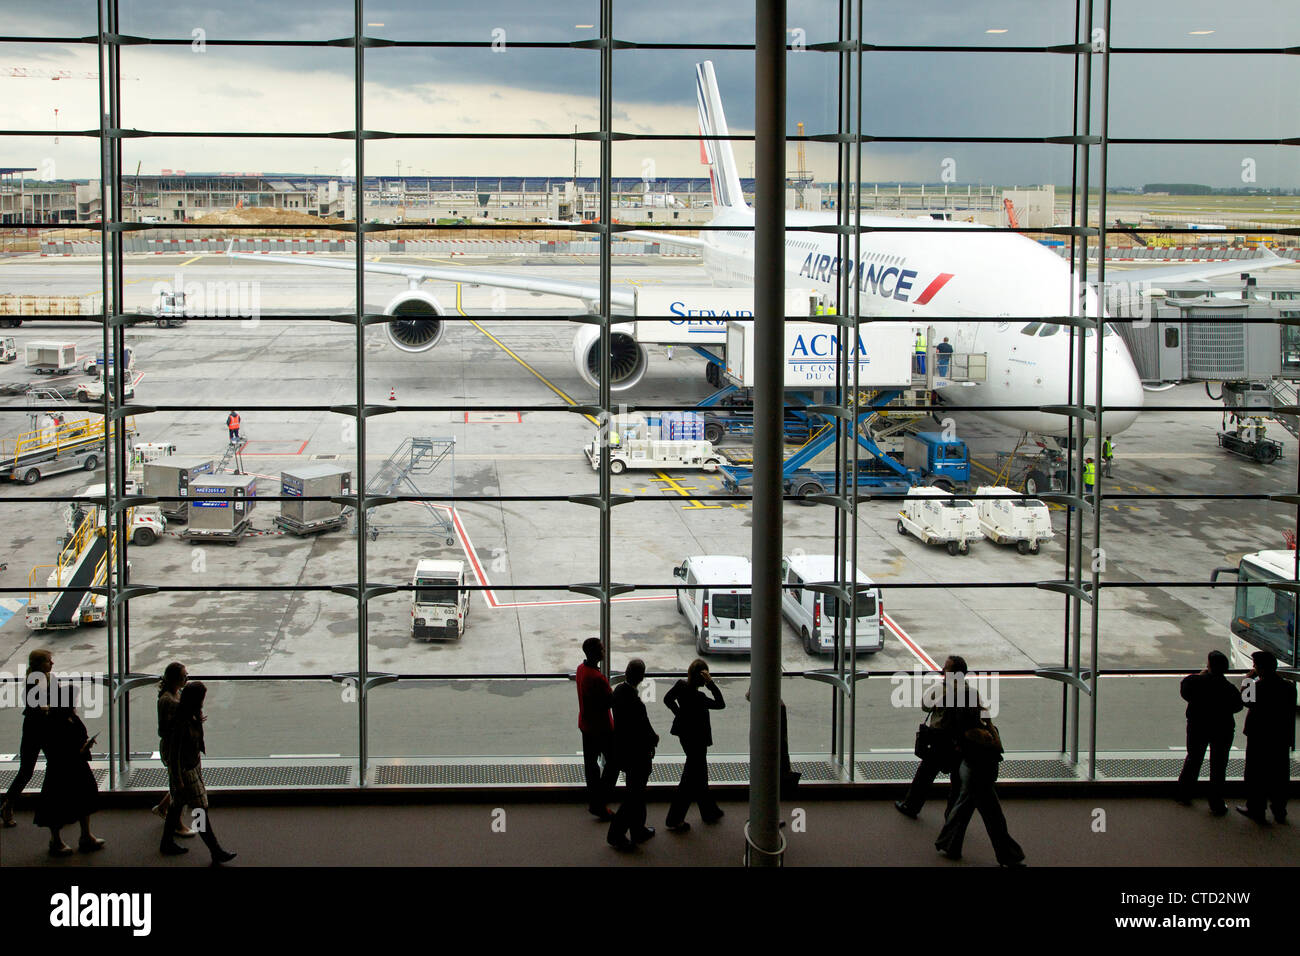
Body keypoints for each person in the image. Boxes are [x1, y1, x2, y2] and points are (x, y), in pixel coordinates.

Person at [934, 667, 1025, 866]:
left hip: (970, 770)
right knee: (994, 819)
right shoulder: (977, 732)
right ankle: (1008, 856)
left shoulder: (963, 730)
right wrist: (990, 723)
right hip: (979, 775)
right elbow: (998, 747)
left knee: (962, 810)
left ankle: (949, 844)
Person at [161, 682, 236, 863]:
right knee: (200, 809)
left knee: (177, 805)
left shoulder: (188, 716)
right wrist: (178, 777)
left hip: (190, 767)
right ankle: (215, 849)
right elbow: (176, 752)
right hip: (187, 771)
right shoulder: (182, 721)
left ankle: (166, 842)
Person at [33, 684, 104, 856]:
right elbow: (57, 748)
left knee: (82, 799)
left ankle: (84, 835)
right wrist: (80, 749)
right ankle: (57, 840)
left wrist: (84, 745)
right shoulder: (54, 721)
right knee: (58, 804)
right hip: (63, 767)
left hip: (73, 765)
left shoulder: (65, 716)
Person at [895, 655, 965, 819]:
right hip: (958, 742)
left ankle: (911, 806)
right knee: (957, 782)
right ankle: (952, 815)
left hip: (940, 739)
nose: (942, 670)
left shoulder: (941, 689)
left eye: (945, 668)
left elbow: (925, 706)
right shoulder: (969, 691)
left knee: (925, 775)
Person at [1175, 650, 1243, 815]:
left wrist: (1200, 675)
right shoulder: (1229, 688)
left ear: (1209, 666)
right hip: (1222, 728)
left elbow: (1185, 690)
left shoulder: (1196, 682)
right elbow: (1240, 706)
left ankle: (1184, 793)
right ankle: (1216, 801)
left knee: (1193, 759)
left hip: (1198, 726)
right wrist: (1248, 682)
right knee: (1219, 766)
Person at [663, 659, 726, 832]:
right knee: (691, 778)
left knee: (699, 773)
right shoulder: (700, 697)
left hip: (685, 735)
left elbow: (667, 699)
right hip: (698, 739)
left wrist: (679, 714)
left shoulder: (681, 687)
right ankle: (675, 819)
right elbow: (721, 704)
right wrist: (711, 683)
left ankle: (709, 810)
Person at [1236, 650, 1297, 824]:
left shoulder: (1258, 687)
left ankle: (1256, 808)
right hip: (1280, 737)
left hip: (1259, 737)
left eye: (1255, 665)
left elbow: (1244, 700)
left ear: (1261, 668)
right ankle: (1279, 810)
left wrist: (1248, 677)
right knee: (1279, 774)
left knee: (1256, 774)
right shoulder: (1288, 687)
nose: (1253, 667)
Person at [607, 659, 659, 852]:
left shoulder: (618, 691)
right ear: (641, 677)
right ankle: (617, 834)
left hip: (624, 751)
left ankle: (638, 829)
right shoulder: (636, 703)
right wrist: (654, 739)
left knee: (635, 792)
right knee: (634, 796)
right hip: (637, 754)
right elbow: (644, 729)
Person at [0, 649, 54, 828]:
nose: (52, 663)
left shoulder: (39, 678)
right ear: (40, 664)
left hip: (34, 729)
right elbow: (38, 706)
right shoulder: (39, 680)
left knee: (26, 771)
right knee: (49, 767)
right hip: (40, 729)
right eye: (48, 661)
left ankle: (8, 805)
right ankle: (8, 805)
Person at [151, 662, 196, 837]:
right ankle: (176, 823)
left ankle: (163, 808)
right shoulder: (168, 700)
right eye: (184, 675)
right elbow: (163, 730)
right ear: (175, 678)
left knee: (179, 782)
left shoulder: (176, 694)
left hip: (180, 746)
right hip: (174, 748)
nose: (187, 677)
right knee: (180, 785)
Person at [575, 638, 617, 821]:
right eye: (601, 648)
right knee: (613, 763)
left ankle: (595, 800)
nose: (603, 650)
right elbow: (610, 701)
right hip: (601, 728)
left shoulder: (581, 670)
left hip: (586, 724)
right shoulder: (597, 678)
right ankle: (600, 802)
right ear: (594, 653)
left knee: (591, 766)